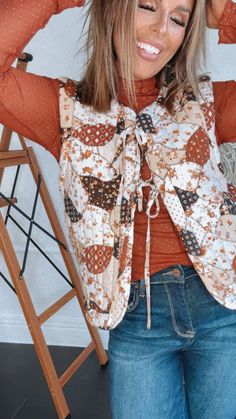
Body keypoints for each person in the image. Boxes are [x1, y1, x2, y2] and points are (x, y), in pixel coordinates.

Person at [0, 0, 235, 418]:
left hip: (223, 310)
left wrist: (225, 14)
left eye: (179, 18)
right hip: (136, 321)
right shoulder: (64, 109)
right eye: (147, 6)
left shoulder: (209, 105)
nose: (162, 29)